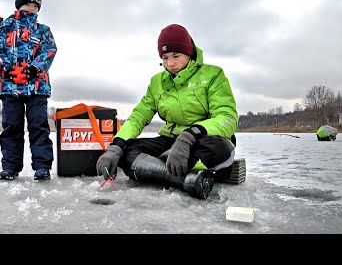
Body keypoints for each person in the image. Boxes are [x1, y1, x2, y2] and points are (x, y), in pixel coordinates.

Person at [96, 24, 238, 199]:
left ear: (189, 52)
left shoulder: (213, 75)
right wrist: (116, 146)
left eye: (176, 56)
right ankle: (185, 179)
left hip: (202, 140)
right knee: (128, 151)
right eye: (165, 57)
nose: (170, 63)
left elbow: (228, 117)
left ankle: (159, 168)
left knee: (219, 148)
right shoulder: (157, 82)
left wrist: (189, 136)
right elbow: (139, 116)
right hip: (171, 141)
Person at [0, 0, 57, 181]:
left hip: (37, 88)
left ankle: (42, 166)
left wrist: (35, 69)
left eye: (36, 6)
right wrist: (7, 70)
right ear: (19, 4)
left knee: (39, 127)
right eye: (29, 4)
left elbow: (50, 50)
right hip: (10, 88)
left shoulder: (43, 30)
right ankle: (10, 166)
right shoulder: (5, 27)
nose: (32, 9)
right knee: (12, 128)